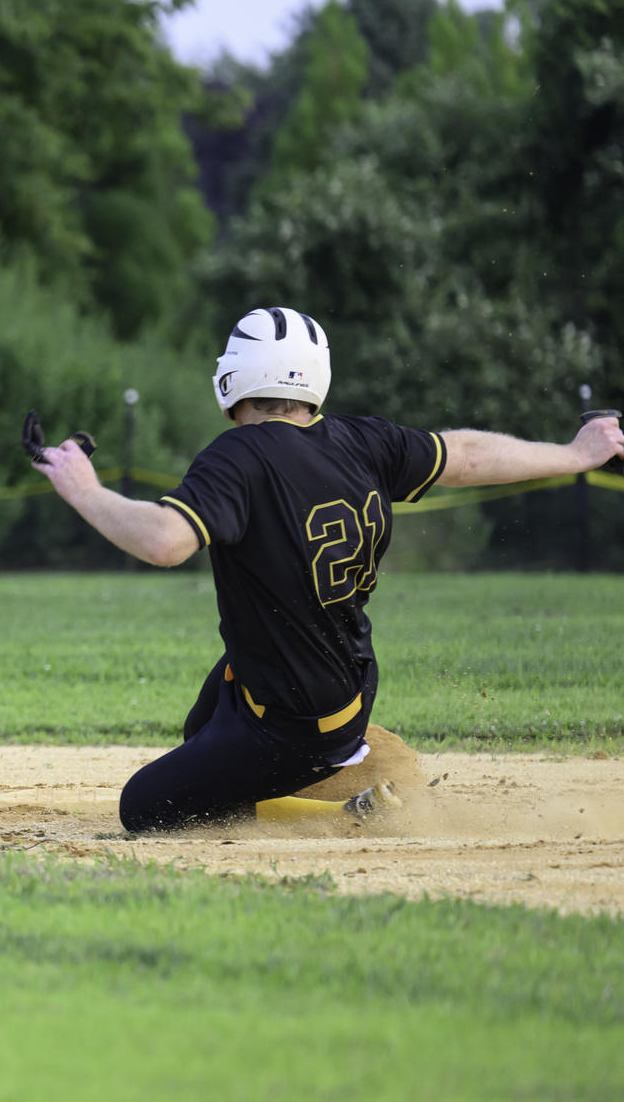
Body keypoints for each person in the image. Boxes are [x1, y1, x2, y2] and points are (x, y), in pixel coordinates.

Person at [31, 306, 624, 832]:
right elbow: (466, 454)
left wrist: (83, 490)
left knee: (144, 808)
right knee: (202, 726)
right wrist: (575, 454)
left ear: (233, 378)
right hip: (347, 683)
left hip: (290, 722)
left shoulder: (238, 454)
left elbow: (164, 541)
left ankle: (344, 812)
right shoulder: (361, 440)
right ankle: (335, 752)